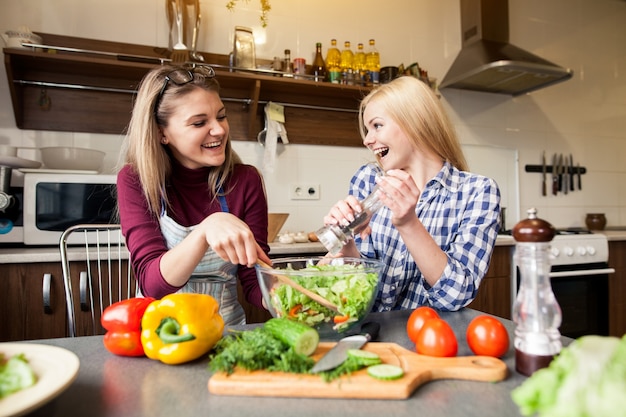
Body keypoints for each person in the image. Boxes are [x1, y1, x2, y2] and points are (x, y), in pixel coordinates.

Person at [322, 76, 501, 312]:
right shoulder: (368, 179)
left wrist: (408, 223)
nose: (367, 140)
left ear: (414, 122)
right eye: (367, 129)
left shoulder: (477, 193)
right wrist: (346, 246)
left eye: (376, 126)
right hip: (369, 334)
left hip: (431, 340)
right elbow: (360, 296)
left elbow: (456, 295)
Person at [116, 64, 271, 326]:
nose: (219, 130)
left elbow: (254, 277)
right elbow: (152, 284)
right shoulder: (136, 180)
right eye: (200, 122)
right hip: (162, 337)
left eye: (221, 117)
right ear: (161, 133)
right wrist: (206, 229)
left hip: (225, 332)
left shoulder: (245, 180)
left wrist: (295, 295)